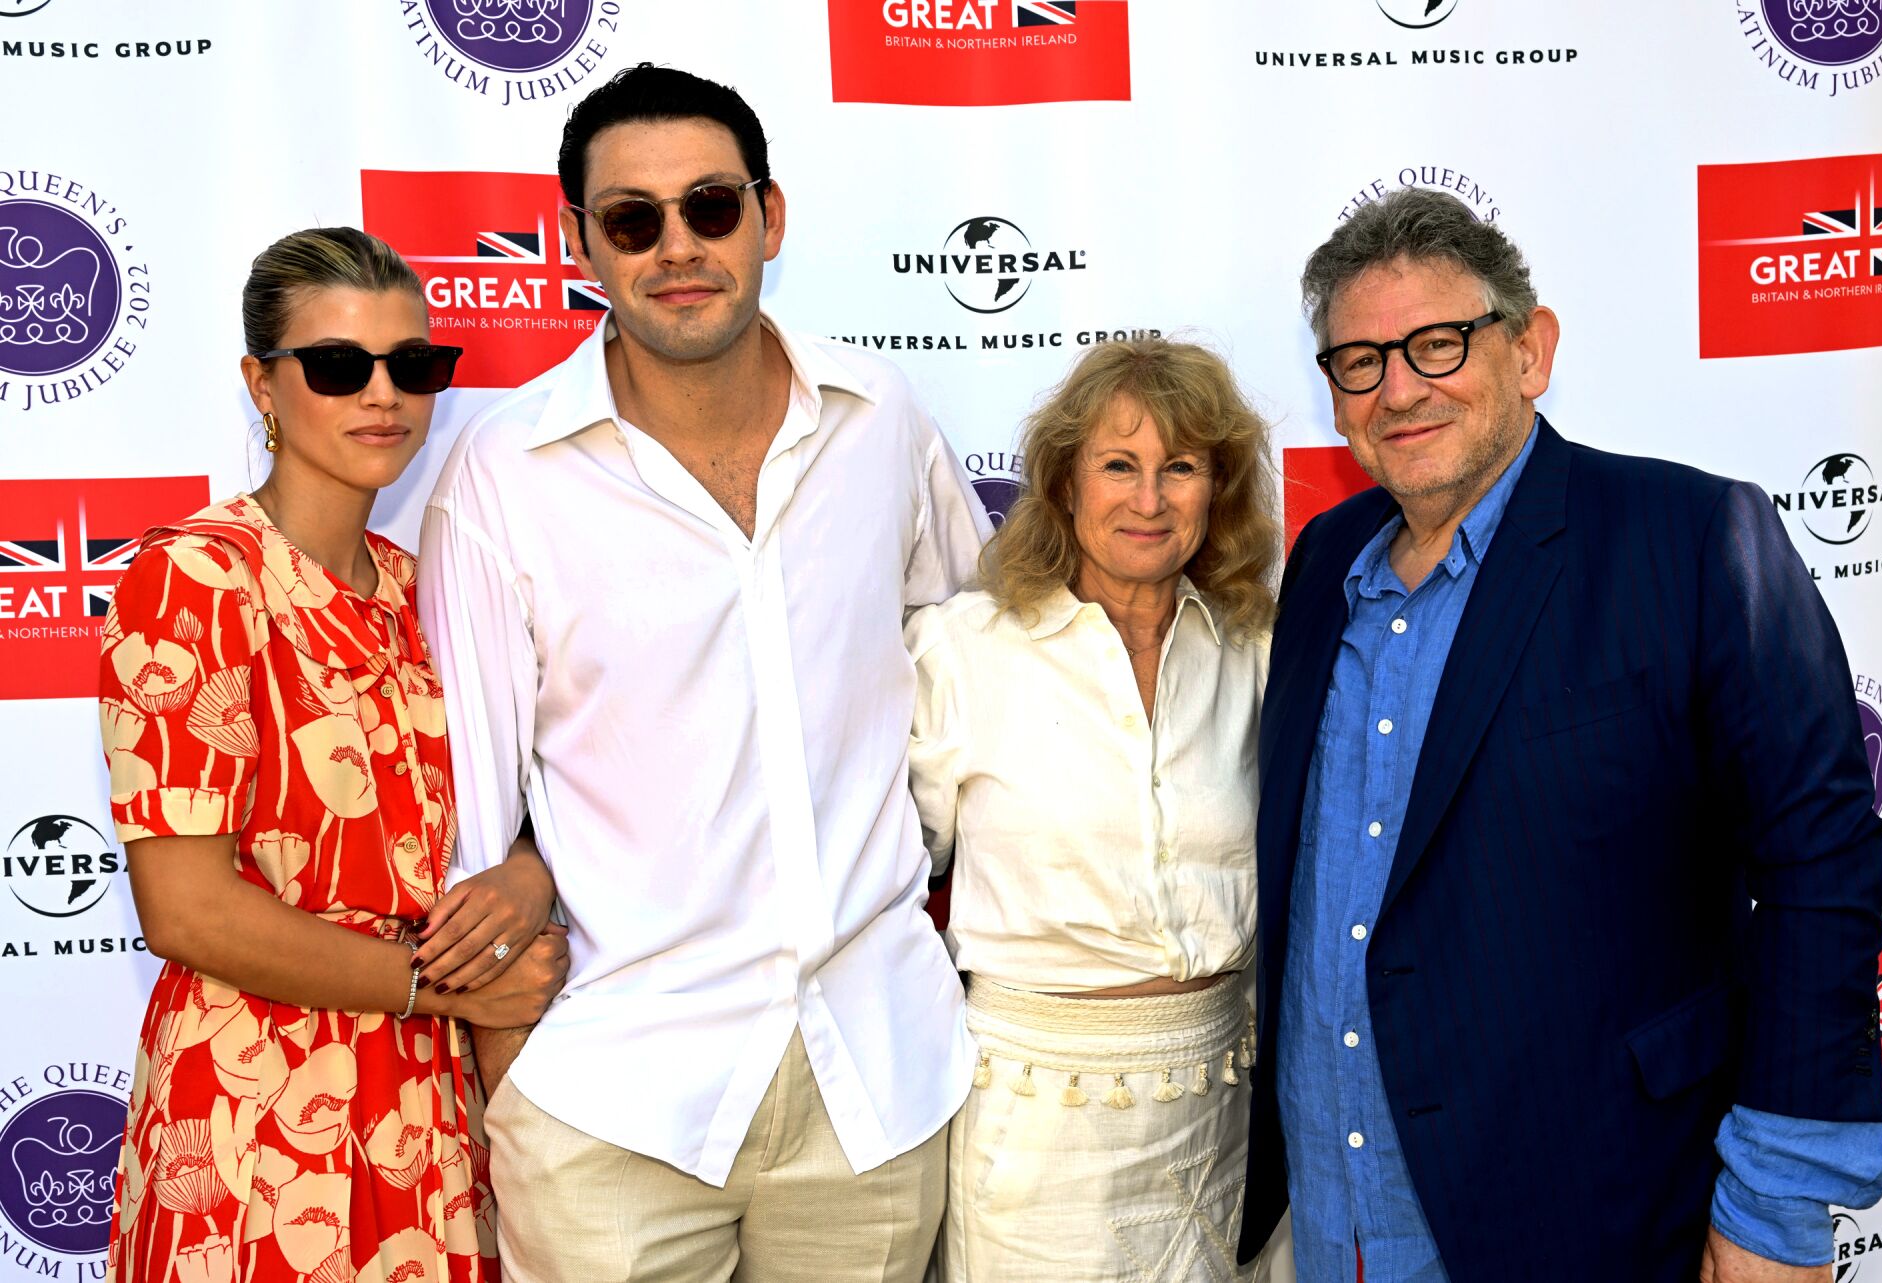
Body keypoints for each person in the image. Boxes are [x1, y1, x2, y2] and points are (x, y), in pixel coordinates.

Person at [1237, 188, 1882, 1283]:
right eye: (1358, 360)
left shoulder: (1690, 543)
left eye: (1437, 343)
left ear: (1529, 350)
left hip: (1593, 1208)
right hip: (1334, 1218)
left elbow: (1814, 870)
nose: (1398, 387)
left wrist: (1776, 1198)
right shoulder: (1321, 562)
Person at [417, 64, 990, 1282]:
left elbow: (966, 676)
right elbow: (470, 806)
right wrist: (515, 1078)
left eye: (711, 207)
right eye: (632, 220)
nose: (677, 247)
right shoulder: (503, 472)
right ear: (580, 242)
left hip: (871, 1081)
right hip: (612, 1097)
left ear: (769, 218)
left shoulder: (880, 415)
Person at [98, 227, 567, 1283]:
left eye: (415, 364)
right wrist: (444, 991)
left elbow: (544, 798)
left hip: (436, 1105)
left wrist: (528, 875)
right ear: (261, 383)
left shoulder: (433, 583)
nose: (383, 394)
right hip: (254, 1105)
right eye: (339, 366)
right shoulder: (196, 580)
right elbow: (187, 909)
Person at [905, 338, 1283, 1281]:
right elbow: (885, 875)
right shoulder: (965, 651)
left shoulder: (1257, 648)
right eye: (1119, 465)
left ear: (1218, 489)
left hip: (1220, 1113)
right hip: (1036, 1138)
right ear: (1064, 482)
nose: (1149, 500)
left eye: (1180, 468)